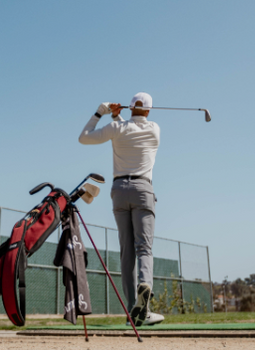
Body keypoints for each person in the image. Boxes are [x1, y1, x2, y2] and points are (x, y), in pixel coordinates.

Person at [78, 92, 164, 326]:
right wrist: (118, 118)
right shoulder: (154, 129)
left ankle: (132, 313)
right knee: (144, 247)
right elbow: (130, 128)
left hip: (119, 190)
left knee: (127, 252)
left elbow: (84, 138)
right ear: (147, 111)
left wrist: (102, 113)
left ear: (131, 107)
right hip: (142, 190)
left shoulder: (118, 128)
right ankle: (144, 290)